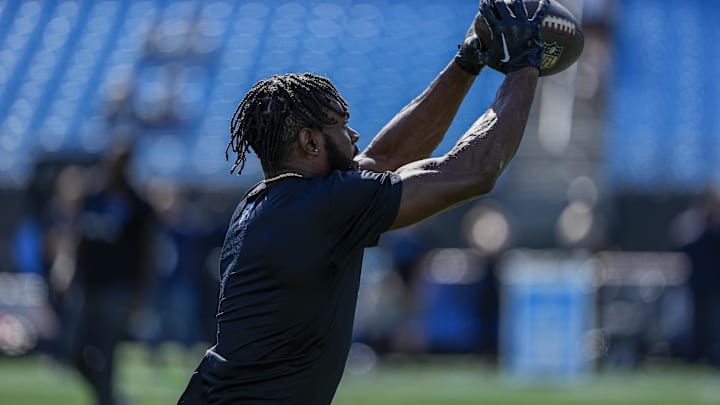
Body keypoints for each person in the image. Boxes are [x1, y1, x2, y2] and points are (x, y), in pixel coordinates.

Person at [179, 0, 548, 403]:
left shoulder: (272, 201)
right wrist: (525, 64)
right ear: (310, 142)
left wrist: (468, 60)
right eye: (341, 124)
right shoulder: (319, 207)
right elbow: (474, 171)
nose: (354, 136)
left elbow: (388, 158)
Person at [70, 143, 156, 405]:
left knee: (107, 352)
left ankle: (106, 399)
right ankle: (110, 398)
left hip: (118, 288)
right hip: (89, 285)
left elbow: (148, 253)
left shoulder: (139, 205)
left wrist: (141, 294)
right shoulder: (92, 198)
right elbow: (78, 238)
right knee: (73, 350)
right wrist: (71, 272)